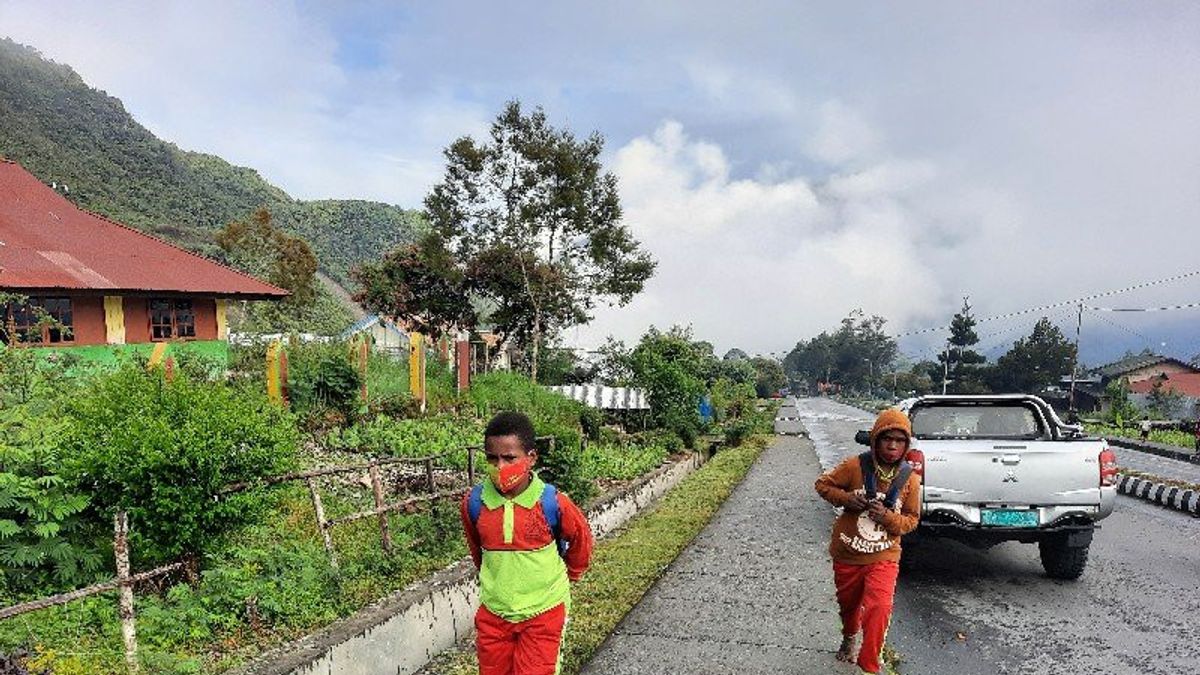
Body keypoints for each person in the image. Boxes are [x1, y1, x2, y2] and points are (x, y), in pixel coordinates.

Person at [461, 412, 594, 675]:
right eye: (492, 458)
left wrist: (572, 575)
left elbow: (581, 540)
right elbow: (478, 551)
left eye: (509, 458)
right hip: (494, 615)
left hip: (544, 613)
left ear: (531, 458)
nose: (500, 467)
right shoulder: (474, 504)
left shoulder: (553, 503)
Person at [815, 408, 921, 675]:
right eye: (887, 439)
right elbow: (823, 485)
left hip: (884, 555)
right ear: (875, 439)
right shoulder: (854, 466)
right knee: (849, 606)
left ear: (907, 444)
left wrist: (888, 518)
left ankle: (870, 665)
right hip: (848, 552)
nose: (893, 446)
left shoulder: (911, 479)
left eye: (900, 440)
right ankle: (850, 636)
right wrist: (847, 499)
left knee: (879, 608)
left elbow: (911, 520)